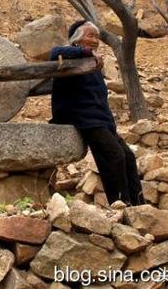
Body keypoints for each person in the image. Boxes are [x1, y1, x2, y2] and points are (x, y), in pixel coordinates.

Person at [49, 19, 145, 207]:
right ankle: (120, 203)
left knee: (128, 156)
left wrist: (111, 124)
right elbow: (54, 52)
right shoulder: (71, 57)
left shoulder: (94, 65)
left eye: (97, 37)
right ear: (76, 40)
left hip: (100, 121)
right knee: (114, 155)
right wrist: (85, 52)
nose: (95, 40)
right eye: (90, 35)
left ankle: (139, 205)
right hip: (81, 118)